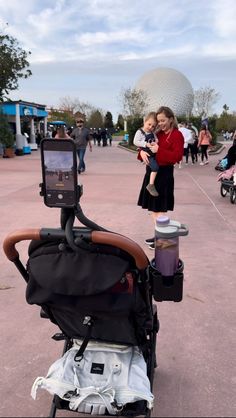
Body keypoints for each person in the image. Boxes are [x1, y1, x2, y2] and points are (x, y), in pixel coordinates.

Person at [137, 106, 184, 249]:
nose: (160, 124)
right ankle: (159, 234)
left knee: (159, 209)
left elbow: (177, 156)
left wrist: (160, 150)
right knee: (153, 208)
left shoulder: (177, 135)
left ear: (170, 119)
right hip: (152, 173)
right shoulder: (158, 133)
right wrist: (141, 153)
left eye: (163, 120)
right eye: (159, 121)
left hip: (164, 175)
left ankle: (163, 238)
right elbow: (144, 147)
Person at [134, 112, 159, 197]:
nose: (150, 127)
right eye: (149, 124)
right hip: (148, 154)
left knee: (155, 166)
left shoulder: (152, 132)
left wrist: (155, 143)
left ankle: (152, 183)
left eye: (153, 126)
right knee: (155, 168)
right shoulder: (140, 132)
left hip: (153, 152)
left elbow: (156, 139)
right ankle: (151, 185)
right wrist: (145, 144)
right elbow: (135, 141)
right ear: (145, 121)